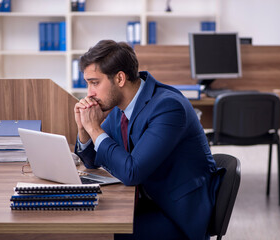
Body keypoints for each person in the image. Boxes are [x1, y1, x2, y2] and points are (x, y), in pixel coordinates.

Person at [74, 40, 224, 240]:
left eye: (94, 83)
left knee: (97, 233)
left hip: (177, 216)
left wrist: (95, 128)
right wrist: (84, 129)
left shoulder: (168, 107)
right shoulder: (121, 106)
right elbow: (93, 160)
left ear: (120, 78)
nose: (89, 93)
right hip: (148, 202)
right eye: (88, 84)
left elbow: (132, 172)